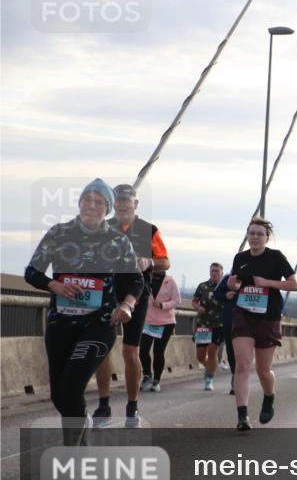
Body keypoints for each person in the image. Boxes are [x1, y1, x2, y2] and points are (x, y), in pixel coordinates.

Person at [25, 179, 143, 444]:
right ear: (79, 203)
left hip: (99, 324)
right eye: (87, 200)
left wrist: (126, 306)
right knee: (59, 395)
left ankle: (72, 450)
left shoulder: (118, 240)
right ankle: (82, 426)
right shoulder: (59, 233)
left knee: (72, 385)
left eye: (99, 202)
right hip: (60, 324)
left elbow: (136, 280)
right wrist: (53, 284)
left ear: (108, 208)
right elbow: (32, 271)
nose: (92, 205)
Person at [92, 183, 170, 428]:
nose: (123, 205)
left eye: (128, 202)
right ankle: (103, 406)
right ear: (113, 205)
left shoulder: (149, 230)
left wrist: (148, 261)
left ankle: (132, 407)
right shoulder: (103, 227)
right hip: (106, 291)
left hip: (138, 293)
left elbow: (165, 262)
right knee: (101, 348)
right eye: (119, 202)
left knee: (129, 351)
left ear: (136, 204)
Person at [228, 217, 297, 431]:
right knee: (242, 366)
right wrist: (234, 283)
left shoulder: (276, 257)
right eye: (252, 233)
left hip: (268, 317)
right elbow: (236, 282)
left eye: (260, 234)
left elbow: (294, 285)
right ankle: (242, 416)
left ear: (267, 237)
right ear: (247, 235)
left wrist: (268, 283)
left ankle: (269, 397)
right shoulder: (240, 257)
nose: (255, 237)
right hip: (243, 314)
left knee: (262, 370)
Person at [139, 270, 180, 392]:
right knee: (143, 350)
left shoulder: (170, 281)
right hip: (148, 321)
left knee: (158, 351)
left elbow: (177, 301)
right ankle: (147, 375)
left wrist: (162, 305)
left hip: (166, 322)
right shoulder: (146, 278)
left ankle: (157, 380)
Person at [192, 262, 226, 391]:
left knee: (212, 351)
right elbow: (194, 301)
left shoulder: (225, 287)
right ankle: (211, 367)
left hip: (219, 324)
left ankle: (209, 379)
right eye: (212, 270)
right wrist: (198, 307)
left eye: (217, 271)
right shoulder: (203, 286)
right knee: (200, 356)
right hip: (203, 324)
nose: (214, 273)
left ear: (222, 273)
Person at [213, 272, 239, 394]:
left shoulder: (255, 277)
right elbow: (216, 293)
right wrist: (226, 295)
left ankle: (240, 378)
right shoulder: (229, 277)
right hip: (230, 320)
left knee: (243, 351)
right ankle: (235, 375)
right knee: (231, 351)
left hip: (249, 321)